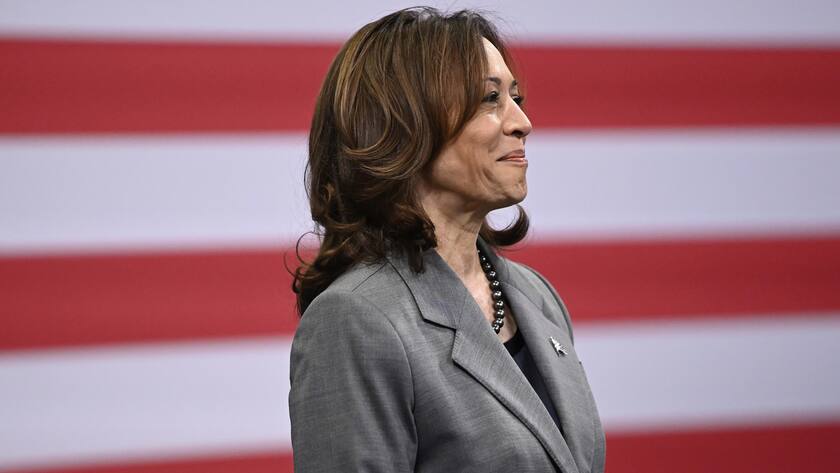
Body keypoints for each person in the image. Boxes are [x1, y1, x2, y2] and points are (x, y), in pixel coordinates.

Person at [289, 7, 605, 473]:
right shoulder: (355, 320)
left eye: (516, 97)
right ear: (403, 124)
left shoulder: (537, 296)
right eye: (489, 99)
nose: (522, 122)